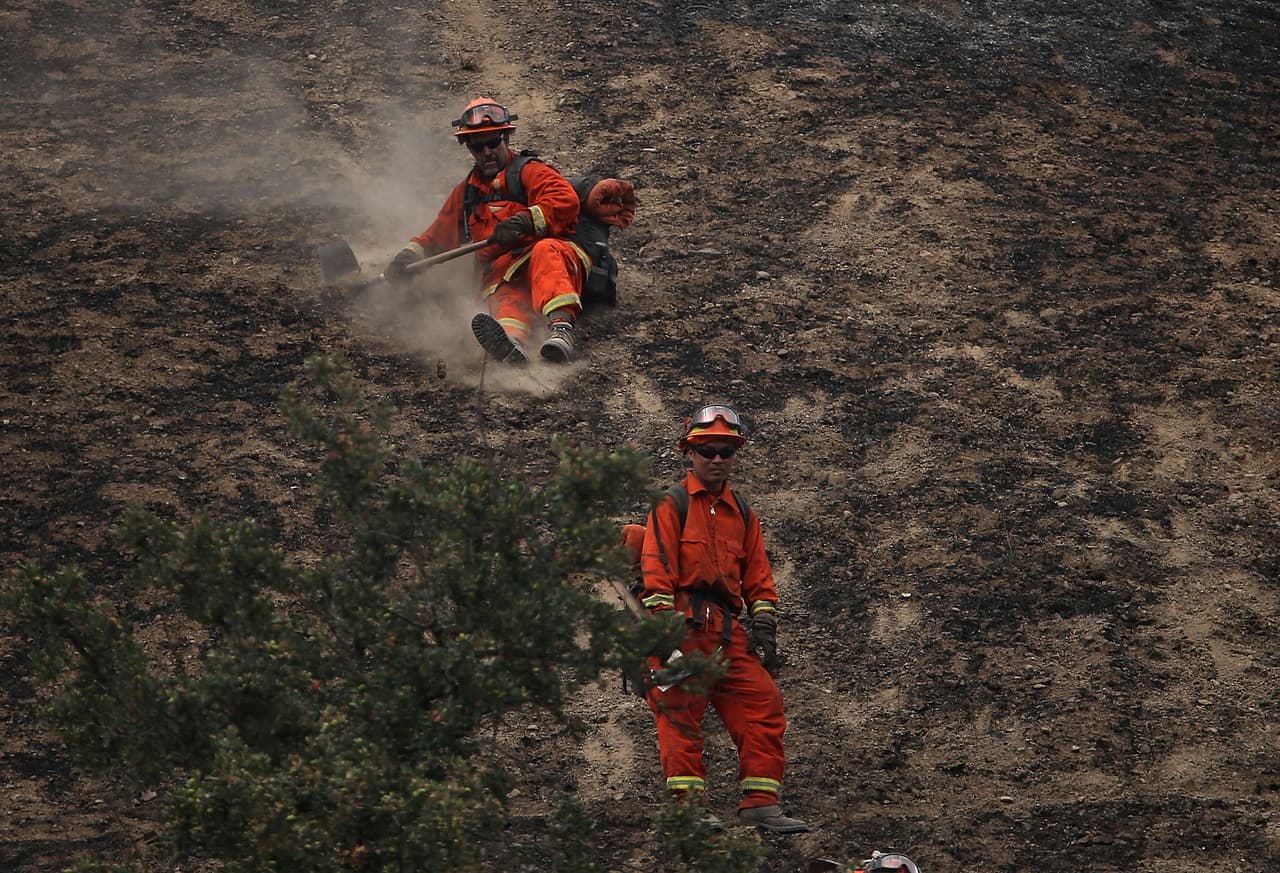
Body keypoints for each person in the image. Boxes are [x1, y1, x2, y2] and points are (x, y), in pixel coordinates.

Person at [638, 404, 809, 835]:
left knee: (762, 703)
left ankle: (760, 803)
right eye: (707, 449)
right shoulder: (672, 504)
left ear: (736, 454)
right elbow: (655, 567)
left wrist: (765, 626)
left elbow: (757, 575)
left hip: (727, 632)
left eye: (726, 450)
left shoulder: (744, 513)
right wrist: (661, 631)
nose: (717, 458)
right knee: (680, 715)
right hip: (680, 625)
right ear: (689, 452)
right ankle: (687, 810)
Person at [384, 97, 586, 365]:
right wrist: (408, 257)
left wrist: (525, 221)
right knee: (503, 296)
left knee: (544, 251)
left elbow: (565, 201)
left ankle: (561, 331)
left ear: (506, 139)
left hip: (552, 262)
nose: (487, 152)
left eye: (493, 143)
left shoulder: (529, 172)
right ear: (469, 148)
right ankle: (512, 346)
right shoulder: (466, 194)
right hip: (504, 275)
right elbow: (435, 237)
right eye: (478, 146)